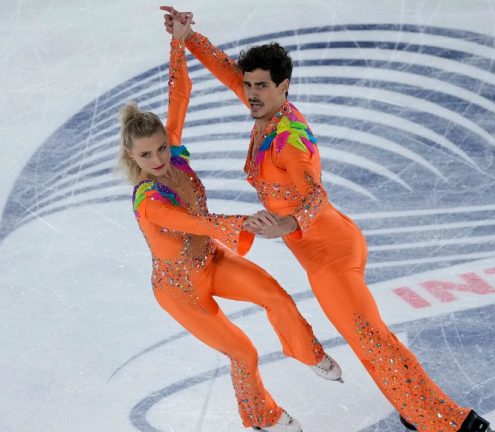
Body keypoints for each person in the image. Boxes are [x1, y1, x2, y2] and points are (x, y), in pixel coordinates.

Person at [161, 7, 495, 432]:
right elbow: (228, 70)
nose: (249, 92)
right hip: (325, 245)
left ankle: (454, 423)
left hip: (332, 255)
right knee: (369, 338)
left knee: (371, 339)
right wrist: (188, 36)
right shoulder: (266, 110)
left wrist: (288, 225)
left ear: (283, 86)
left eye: (260, 86)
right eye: (247, 84)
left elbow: (315, 194)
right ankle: (415, 407)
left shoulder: (289, 142)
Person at [120, 13, 342, 432]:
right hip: (181, 291)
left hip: (212, 263)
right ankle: (264, 418)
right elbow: (194, 224)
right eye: (146, 155)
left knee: (275, 295)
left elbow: (180, 94)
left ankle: (308, 352)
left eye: (161, 148)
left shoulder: (175, 156)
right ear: (133, 158)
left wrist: (179, 42)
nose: (158, 159)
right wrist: (242, 221)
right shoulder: (148, 201)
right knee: (244, 354)